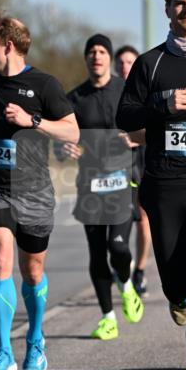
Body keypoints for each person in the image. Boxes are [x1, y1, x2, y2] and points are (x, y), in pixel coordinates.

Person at [0, 13, 79, 370]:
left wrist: (32, 121)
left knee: (32, 271)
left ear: (8, 45)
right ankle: (3, 351)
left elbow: (72, 133)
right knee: (1, 258)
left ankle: (35, 338)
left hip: (34, 192)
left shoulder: (45, 84)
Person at [117, 0, 186, 370]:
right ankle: (177, 293)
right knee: (176, 277)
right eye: (178, 2)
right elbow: (125, 117)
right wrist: (163, 104)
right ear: (168, 9)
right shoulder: (150, 64)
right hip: (164, 185)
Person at [62, 35, 143, 340]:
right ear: (86, 59)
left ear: (108, 57)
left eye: (101, 51)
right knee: (97, 254)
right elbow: (63, 139)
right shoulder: (74, 99)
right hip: (91, 187)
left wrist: (135, 137)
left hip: (123, 180)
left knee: (118, 247)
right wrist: (65, 150)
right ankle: (108, 318)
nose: (96, 56)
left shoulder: (125, 90)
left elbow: (146, 127)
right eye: (91, 52)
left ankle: (126, 284)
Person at [115, 44, 152, 296]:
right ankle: (123, 265)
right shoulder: (112, 91)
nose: (125, 67)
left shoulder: (147, 89)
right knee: (116, 222)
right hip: (115, 167)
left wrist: (138, 137)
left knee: (143, 221)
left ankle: (139, 270)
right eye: (121, 63)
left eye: (130, 62)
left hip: (143, 161)